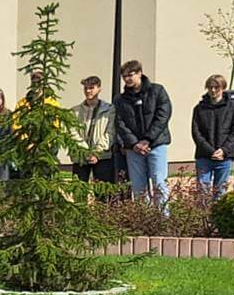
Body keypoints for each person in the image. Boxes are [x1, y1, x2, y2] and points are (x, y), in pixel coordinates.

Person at [115, 60, 172, 203]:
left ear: (140, 73)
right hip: (133, 149)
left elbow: (163, 116)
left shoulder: (157, 91)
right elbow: (119, 122)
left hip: (156, 145)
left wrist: (147, 140)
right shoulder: (120, 100)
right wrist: (134, 143)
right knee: (139, 188)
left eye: (130, 75)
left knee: (159, 183)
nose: (127, 79)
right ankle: (143, 221)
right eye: (124, 76)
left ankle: (163, 221)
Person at [191, 74, 234, 193]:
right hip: (204, 156)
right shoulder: (199, 108)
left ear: (223, 88)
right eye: (210, 87)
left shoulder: (233, 108)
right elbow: (196, 132)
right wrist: (210, 151)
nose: (213, 90)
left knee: (220, 192)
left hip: (224, 157)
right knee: (202, 193)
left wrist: (224, 150)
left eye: (216, 87)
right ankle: (204, 212)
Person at [71, 76, 116, 183]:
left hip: (102, 156)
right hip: (80, 156)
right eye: (85, 88)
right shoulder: (75, 111)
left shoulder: (109, 110)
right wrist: (85, 151)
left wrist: (96, 152)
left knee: (102, 192)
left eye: (91, 88)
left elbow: (110, 132)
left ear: (99, 89)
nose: (88, 91)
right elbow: (72, 133)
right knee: (79, 190)